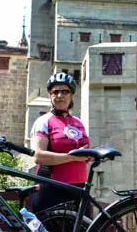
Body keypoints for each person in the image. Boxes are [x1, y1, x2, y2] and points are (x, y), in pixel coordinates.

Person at [30, 72, 90, 214]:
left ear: (71, 95)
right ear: (50, 95)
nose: (59, 96)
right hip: (52, 188)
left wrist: (89, 156)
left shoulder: (78, 122)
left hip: (79, 188)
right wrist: (73, 157)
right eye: (55, 92)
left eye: (65, 91)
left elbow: (83, 155)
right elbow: (37, 156)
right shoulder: (43, 121)